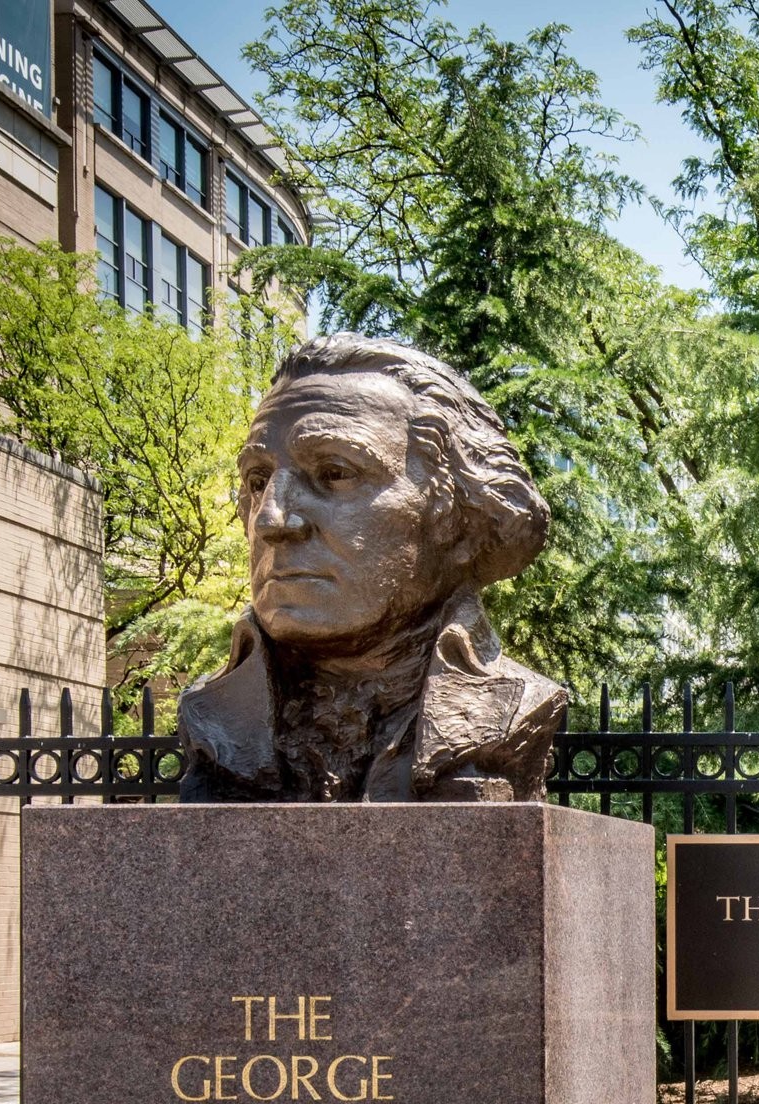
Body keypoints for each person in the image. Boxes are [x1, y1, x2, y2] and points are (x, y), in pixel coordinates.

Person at [179, 334, 566, 803]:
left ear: (455, 514)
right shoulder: (213, 718)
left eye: (335, 473)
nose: (271, 519)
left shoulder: (516, 709)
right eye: (258, 481)